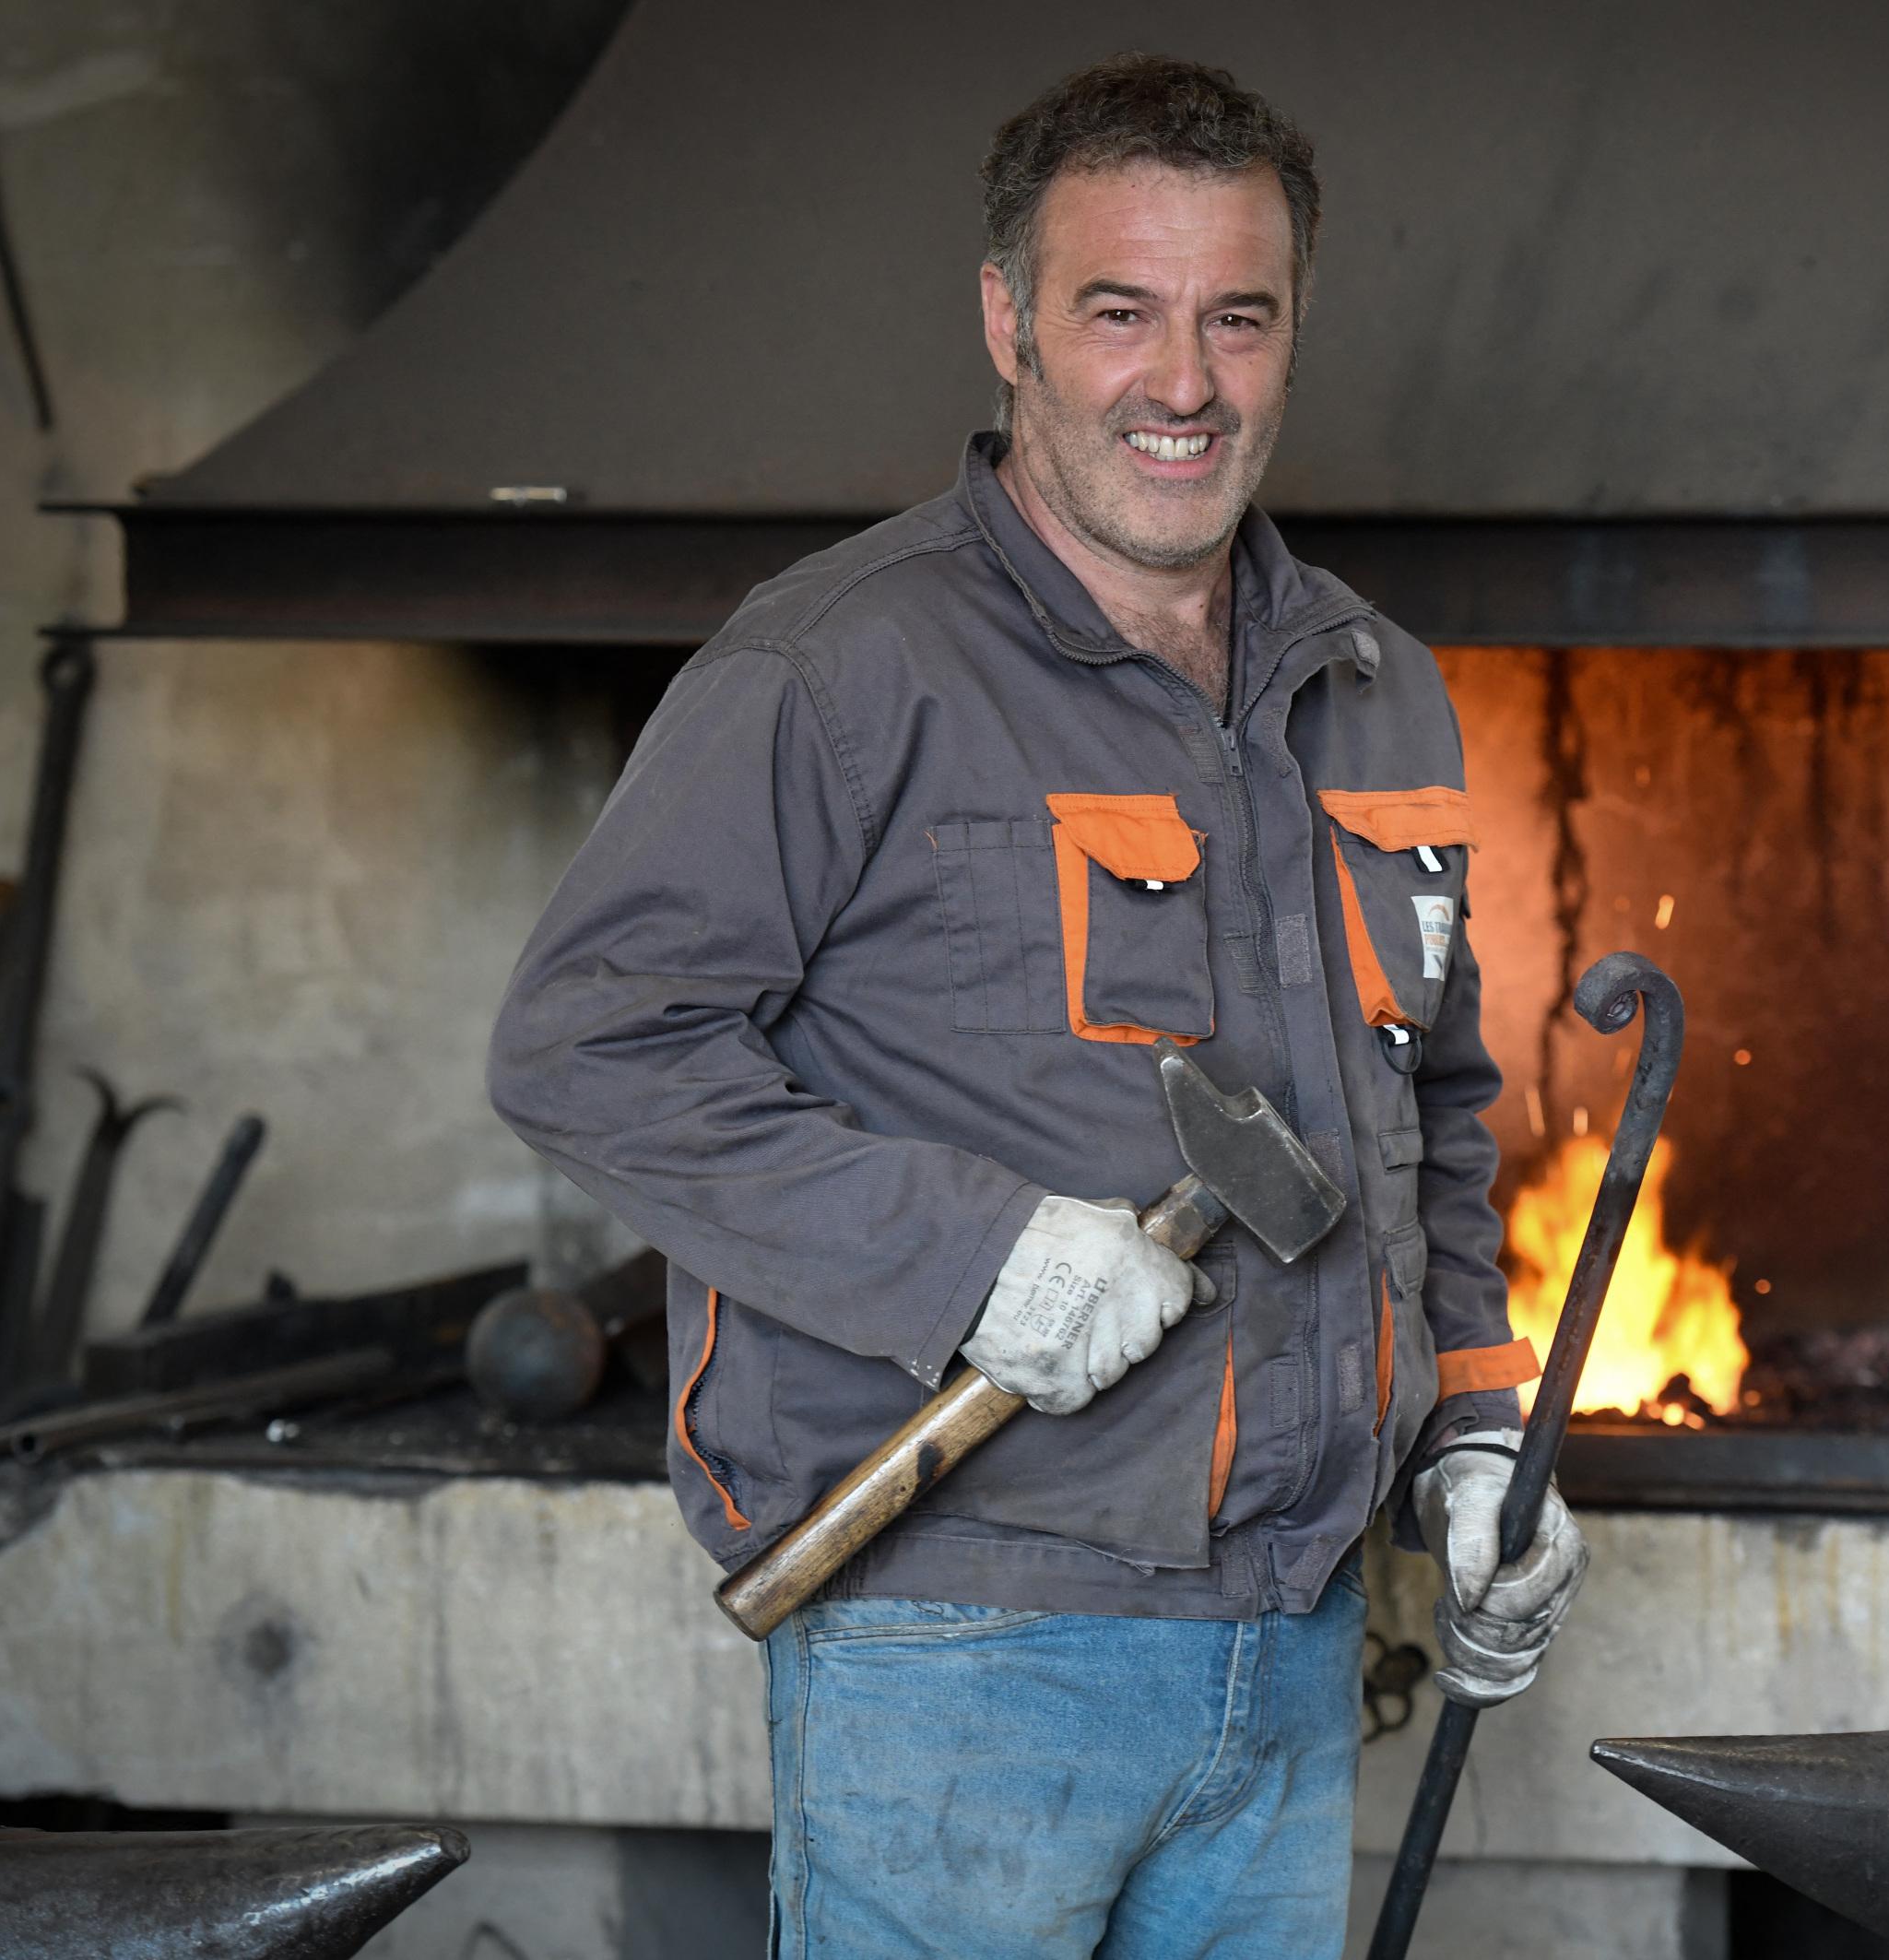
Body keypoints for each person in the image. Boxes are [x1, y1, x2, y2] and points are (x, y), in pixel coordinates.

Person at [489, 53, 1588, 1958]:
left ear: (1290, 334)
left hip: (1304, 1636)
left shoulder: (1375, 685)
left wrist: (1480, 1441)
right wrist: (972, 1255)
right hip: (963, 1644)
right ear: (1007, 323)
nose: (1185, 383)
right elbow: (586, 1048)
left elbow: (1440, 1110)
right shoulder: (840, 674)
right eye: (1120, 314)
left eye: (1238, 319)